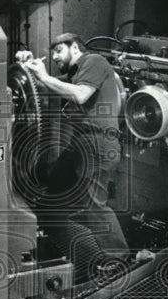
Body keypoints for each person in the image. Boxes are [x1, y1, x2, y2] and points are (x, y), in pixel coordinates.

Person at [16, 33, 131, 279]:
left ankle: (119, 260)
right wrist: (28, 68)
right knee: (51, 184)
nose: (55, 57)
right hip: (81, 145)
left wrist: (44, 76)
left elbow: (80, 95)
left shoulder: (94, 61)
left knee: (93, 203)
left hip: (99, 144)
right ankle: (54, 231)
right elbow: (42, 88)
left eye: (59, 51)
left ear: (75, 47)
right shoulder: (74, 75)